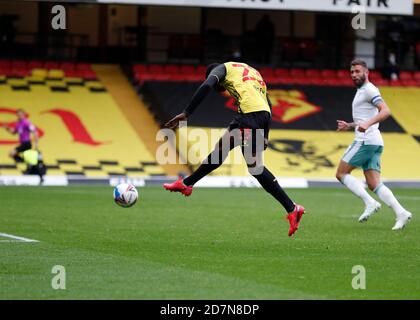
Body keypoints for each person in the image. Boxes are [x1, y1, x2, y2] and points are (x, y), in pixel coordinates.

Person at [163, 62, 306, 237]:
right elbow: (266, 101)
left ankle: (292, 208)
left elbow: (207, 85)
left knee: (253, 166)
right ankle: (187, 183)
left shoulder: (221, 69)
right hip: (261, 116)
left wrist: (186, 113)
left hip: (249, 115)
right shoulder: (252, 71)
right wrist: (266, 133)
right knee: (225, 152)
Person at [336, 59, 412, 231]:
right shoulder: (362, 91)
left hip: (365, 141)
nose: (354, 75)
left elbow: (385, 110)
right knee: (374, 184)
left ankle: (369, 202)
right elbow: (363, 120)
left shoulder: (369, 89)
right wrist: (350, 125)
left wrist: (368, 123)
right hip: (375, 141)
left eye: (357, 71)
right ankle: (401, 212)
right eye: (352, 72)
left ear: (366, 72)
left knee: (341, 173)